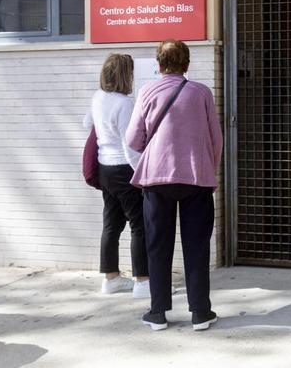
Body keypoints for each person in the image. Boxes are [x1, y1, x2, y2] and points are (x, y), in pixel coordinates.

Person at [126, 40, 223, 331]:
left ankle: (158, 313)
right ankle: (200, 312)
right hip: (196, 178)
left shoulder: (147, 91)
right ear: (187, 63)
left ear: (158, 63)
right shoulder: (202, 92)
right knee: (197, 245)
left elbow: (132, 139)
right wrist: (209, 168)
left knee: (157, 245)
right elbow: (216, 139)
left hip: (157, 179)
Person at [83, 53, 150, 298]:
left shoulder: (98, 97)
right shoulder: (124, 103)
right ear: (125, 75)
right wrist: (141, 172)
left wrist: (103, 129)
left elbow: (85, 123)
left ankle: (111, 279)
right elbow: (130, 145)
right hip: (123, 169)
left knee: (112, 224)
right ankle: (143, 281)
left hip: (105, 168)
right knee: (139, 225)